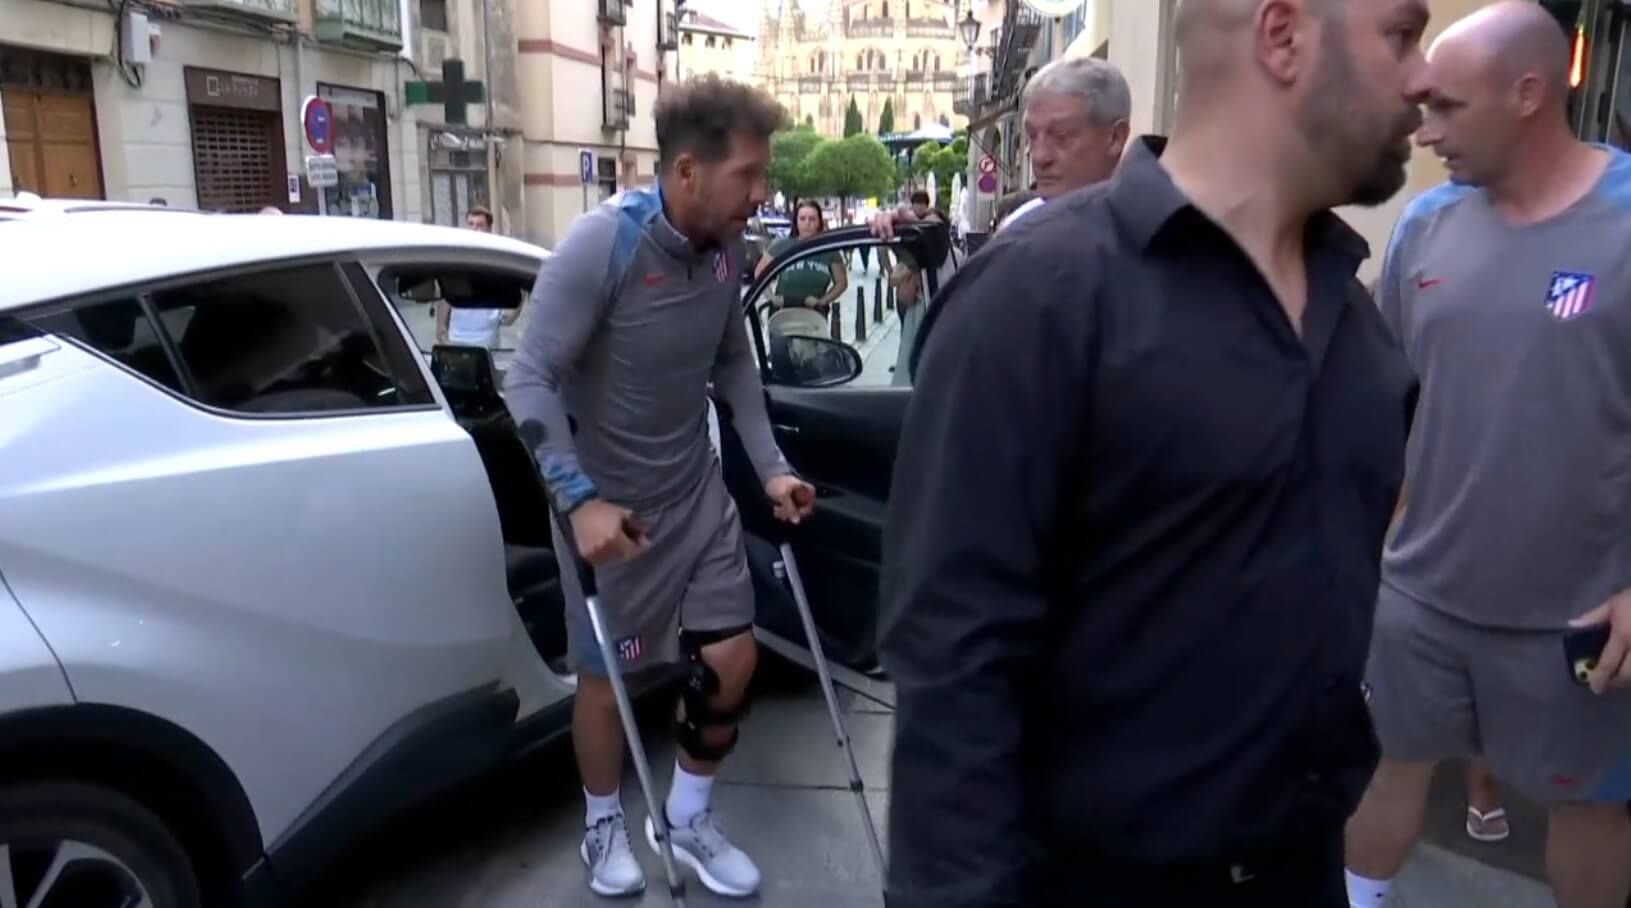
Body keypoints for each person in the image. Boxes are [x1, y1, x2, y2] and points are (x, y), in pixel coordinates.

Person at [877, 0, 1428, 904]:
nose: (1423, 76)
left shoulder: (1355, 322)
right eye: (1400, 36)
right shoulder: (1040, 298)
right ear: (1282, 36)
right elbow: (952, 668)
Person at [1343, 4, 1631, 907]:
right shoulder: (1424, 230)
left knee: (1585, 813)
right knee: (1388, 772)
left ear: (1528, 95)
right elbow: (1384, 404)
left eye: (1447, 110)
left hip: (1578, 619)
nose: (1424, 133)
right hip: (1418, 595)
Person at [503, 74, 815, 899]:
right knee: (606, 689)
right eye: (747, 175)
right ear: (686, 172)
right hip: (614, 512)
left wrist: (772, 467)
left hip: (696, 492)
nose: (763, 192)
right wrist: (579, 499)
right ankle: (602, 822)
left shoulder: (728, 251)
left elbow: (733, 362)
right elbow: (528, 378)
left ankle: (685, 812)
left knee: (733, 657)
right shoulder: (601, 246)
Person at [437, 206, 523, 349]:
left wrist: (520, 301)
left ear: (489, 228)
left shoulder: (499, 259)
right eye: (471, 224)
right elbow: (446, 296)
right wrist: (440, 326)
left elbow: (508, 316)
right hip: (457, 338)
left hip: (487, 341)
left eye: (479, 225)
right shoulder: (456, 258)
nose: (474, 229)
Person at [753, 198, 848, 314]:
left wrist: (822, 301)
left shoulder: (829, 250)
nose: (807, 223)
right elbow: (759, 273)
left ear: (819, 222)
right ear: (796, 222)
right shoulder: (781, 246)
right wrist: (771, 298)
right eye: (802, 219)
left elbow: (841, 282)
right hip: (782, 314)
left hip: (814, 317)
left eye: (812, 219)